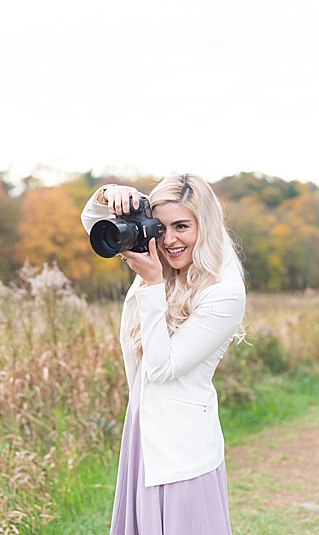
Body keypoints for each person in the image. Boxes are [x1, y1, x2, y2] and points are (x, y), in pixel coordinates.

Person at [80, 173, 246, 535]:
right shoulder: (160, 262)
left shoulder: (223, 292)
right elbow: (95, 226)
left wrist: (153, 284)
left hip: (182, 446)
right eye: (161, 227)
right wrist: (109, 194)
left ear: (206, 226)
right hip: (143, 432)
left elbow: (160, 367)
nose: (169, 240)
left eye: (182, 226)